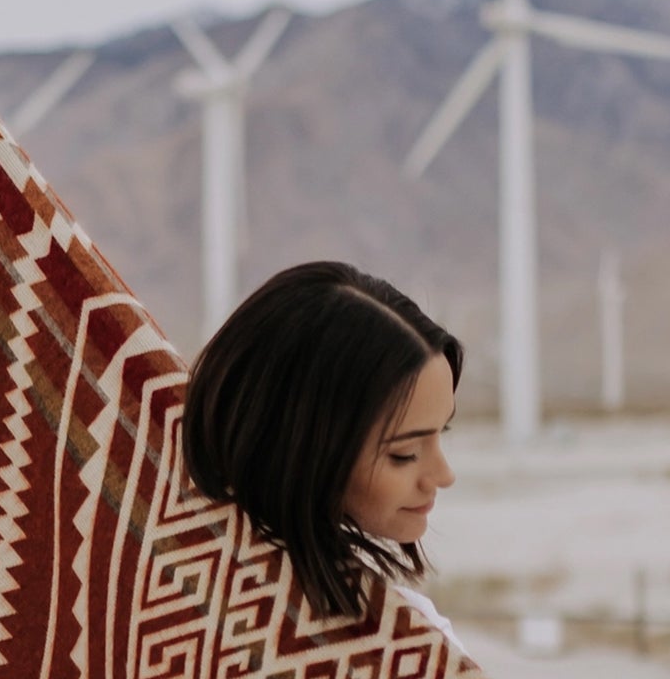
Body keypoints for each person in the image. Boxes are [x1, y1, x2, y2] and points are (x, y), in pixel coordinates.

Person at [182, 259, 463, 642]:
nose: (444, 475)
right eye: (405, 453)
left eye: (441, 432)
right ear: (306, 449)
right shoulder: (402, 643)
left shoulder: (168, 575)